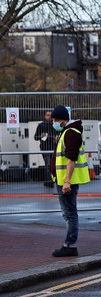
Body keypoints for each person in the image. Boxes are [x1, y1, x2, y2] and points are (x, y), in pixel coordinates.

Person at [49, 105, 87, 257]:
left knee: (70, 214)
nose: (54, 123)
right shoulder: (67, 132)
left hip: (66, 182)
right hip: (63, 180)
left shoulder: (71, 133)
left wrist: (66, 182)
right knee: (69, 213)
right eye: (53, 120)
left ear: (64, 120)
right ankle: (70, 244)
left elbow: (72, 158)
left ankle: (70, 245)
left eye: (56, 120)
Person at [34, 110, 56, 186]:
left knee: (53, 164)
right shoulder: (41, 125)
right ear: (45, 116)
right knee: (48, 164)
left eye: (50, 115)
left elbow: (59, 135)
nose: (49, 117)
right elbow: (35, 137)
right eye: (47, 115)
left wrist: (56, 138)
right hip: (45, 148)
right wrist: (41, 135)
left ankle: (51, 180)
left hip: (53, 148)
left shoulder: (55, 125)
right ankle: (49, 181)